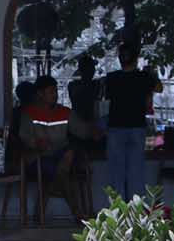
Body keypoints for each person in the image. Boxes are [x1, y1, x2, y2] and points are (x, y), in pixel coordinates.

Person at [104, 43, 163, 200]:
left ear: (119, 59)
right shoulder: (143, 77)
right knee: (136, 171)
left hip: (116, 127)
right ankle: (136, 212)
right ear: (136, 59)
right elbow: (159, 88)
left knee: (116, 172)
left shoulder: (111, 78)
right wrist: (152, 73)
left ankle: (118, 212)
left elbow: (104, 102)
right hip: (137, 127)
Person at [19, 74, 74, 192]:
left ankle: (52, 191)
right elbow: (24, 138)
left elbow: (82, 130)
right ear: (40, 94)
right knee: (63, 179)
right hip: (37, 157)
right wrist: (36, 144)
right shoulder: (28, 114)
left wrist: (94, 131)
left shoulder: (64, 111)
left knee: (69, 154)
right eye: (51, 91)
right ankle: (62, 196)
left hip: (58, 155)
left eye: (56, 91)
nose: (55, 95)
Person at [66, 55, 104, 155]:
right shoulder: (94, 85)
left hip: (81, 125)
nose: (94, 70)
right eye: (91, 67)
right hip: (86, 125)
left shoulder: (73, 86)